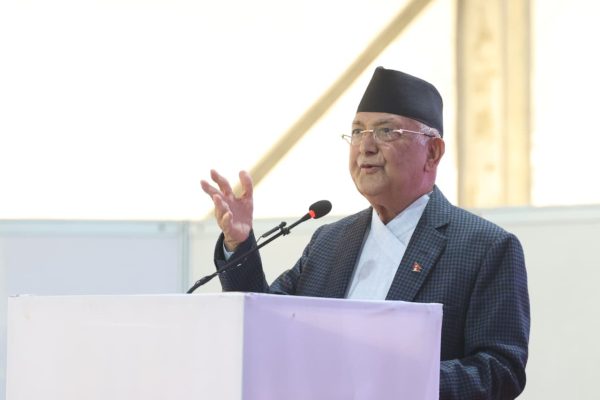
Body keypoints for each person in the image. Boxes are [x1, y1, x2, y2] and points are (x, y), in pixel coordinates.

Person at [201, 66, 530, 399]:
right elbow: (266, 325)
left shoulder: (485, 247)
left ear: (432, 152)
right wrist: (239, 243)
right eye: (357, 132)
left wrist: (397, 378)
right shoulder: (330, 241)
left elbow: (501, 371)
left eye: (386, 131)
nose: (366, 146)